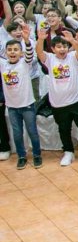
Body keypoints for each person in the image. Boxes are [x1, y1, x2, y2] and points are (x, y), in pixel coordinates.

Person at [36, 30, 78, 166]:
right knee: (63, 128)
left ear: (68, 48)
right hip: (58, 103)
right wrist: (40, 39)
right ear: (53, 49)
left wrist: (73, 40)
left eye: (64, 46)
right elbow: (39, 53)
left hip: (76, 101)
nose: (62, 49)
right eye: (59, 47)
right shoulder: (50, 59)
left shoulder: (72, 56)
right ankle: (68, 152)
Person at [0, 30, 42, 169]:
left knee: (32, 132)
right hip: (12, 107)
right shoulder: (3, 65)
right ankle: (22, 156)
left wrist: (27, 41)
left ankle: (37, 155)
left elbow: (30, 54)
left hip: (27, 105)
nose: (12, 52)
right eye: (10, 50)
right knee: (17, 134)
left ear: (21, 52)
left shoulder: (25, 63)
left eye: (16, 50)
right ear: (5, 52)